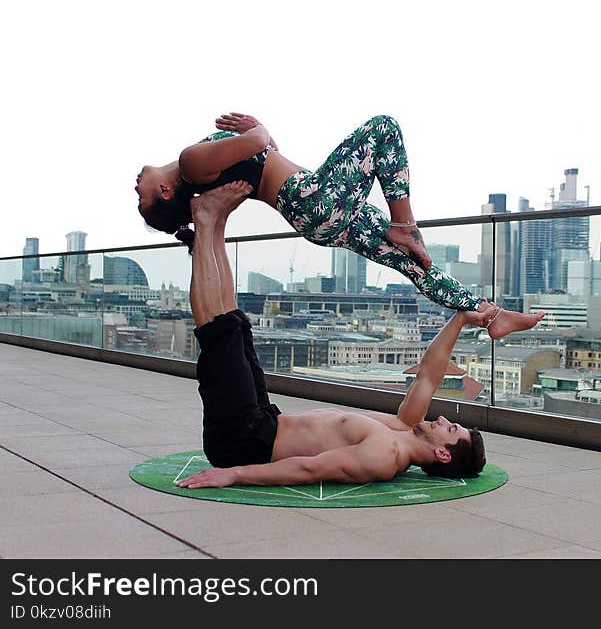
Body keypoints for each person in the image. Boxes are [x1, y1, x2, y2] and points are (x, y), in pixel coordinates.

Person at [175, 183, 488, 489]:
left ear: (443, 454)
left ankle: (204, 220)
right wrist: (459, 319)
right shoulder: (403, 427)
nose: (444, 419)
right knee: (236, 324)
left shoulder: (384, 456)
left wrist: (234, 475)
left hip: (244, 442)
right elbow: (428, 375)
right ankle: (215, 223)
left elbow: (309, 469)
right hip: (265, 420)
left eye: (451, 429)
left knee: (219, 332)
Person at [135, 112, 544, 339]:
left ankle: (492, 316)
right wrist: (256, 129)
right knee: (384, 128)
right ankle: (405, 223)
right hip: (311, 199)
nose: (136, 188)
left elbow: (267, 152)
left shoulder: (199, 172)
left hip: (314, 213)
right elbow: (260, 143)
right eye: (142, 196)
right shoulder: (189, 162)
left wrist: (261, 137)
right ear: (166, 193)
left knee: (413, 263)